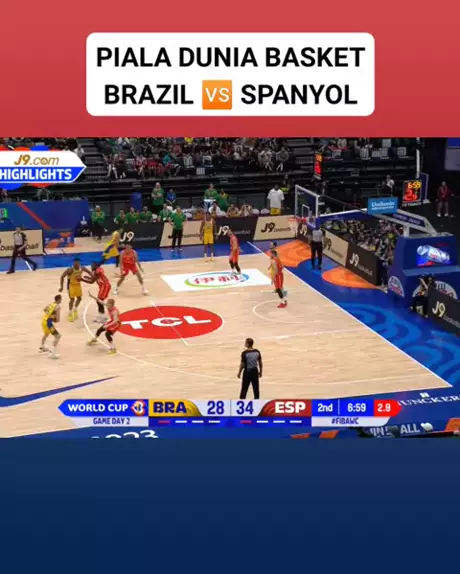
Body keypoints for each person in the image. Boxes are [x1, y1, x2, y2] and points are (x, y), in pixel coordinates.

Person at [40, 294, 62, 359]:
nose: (61, 301)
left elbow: (44, 309)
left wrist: (50, 315)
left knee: (46, 334)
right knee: (58, 336)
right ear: (59, 300)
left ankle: (43, 347)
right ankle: (53, 354)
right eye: (61, 299)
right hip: (48, 323)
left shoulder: (51, 304)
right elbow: (58, 320)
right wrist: (53, 318)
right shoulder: (58, 307)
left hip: (43, 321)